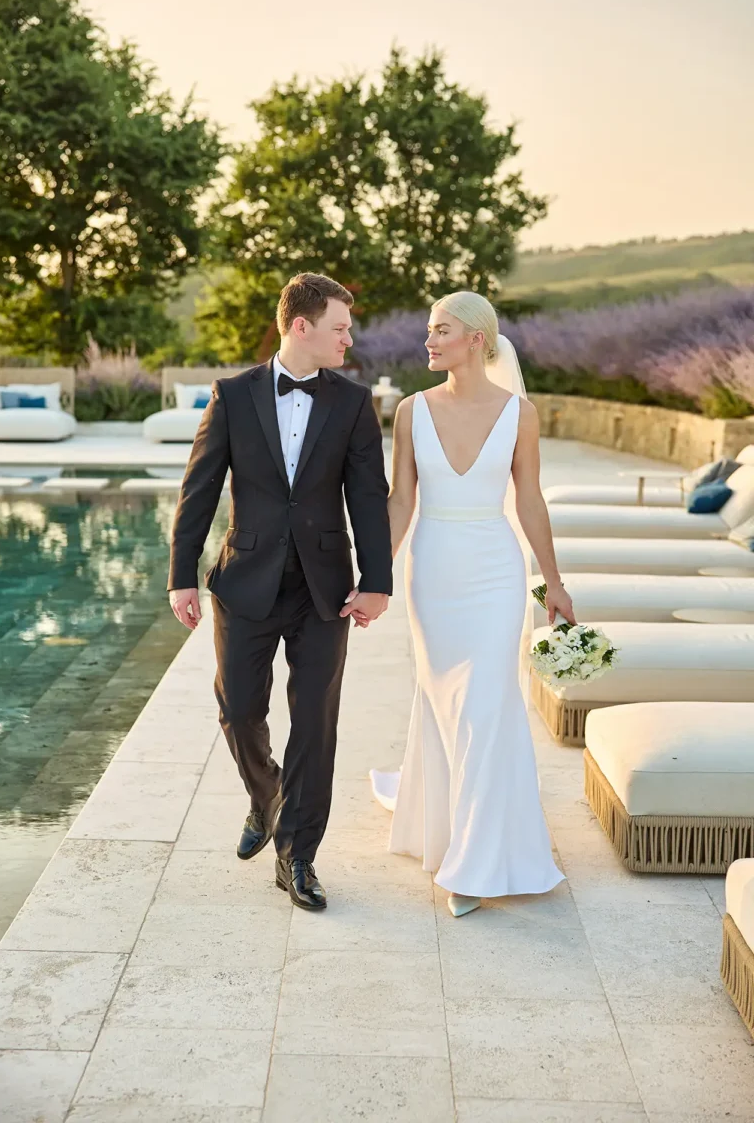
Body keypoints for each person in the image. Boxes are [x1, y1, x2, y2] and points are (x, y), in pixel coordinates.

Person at [168, 272, 393, 912]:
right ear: (301, 326)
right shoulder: (233, 396)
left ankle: (298, 855)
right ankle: (264, 795)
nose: (350, 338)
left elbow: (368, 499)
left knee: (315, 724)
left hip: (325, 589)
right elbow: (199, 488)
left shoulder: (352, 404)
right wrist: (182, 573)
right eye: (340, 327)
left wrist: (376, 582)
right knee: (239, 708)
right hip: (245, 581)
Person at [372, 291, 574, 917]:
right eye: (429, 331)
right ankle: (447, 829)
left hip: (493, 569)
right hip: (432, 571)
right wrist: (373, 572)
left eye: (441, 331)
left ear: (478, 341)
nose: (427, 342)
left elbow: (531, 501)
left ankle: (475, 863)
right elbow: (401, 502)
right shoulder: (410, 411)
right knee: (443, 702)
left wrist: (553, 580)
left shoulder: (521, 414)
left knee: (486, 705)